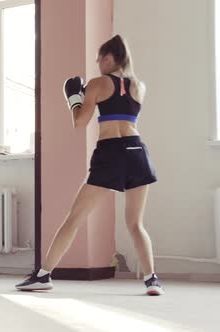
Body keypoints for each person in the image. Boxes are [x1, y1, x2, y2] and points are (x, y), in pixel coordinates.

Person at [15, 35, 164, 296]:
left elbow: (79, 122)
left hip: (111, 153)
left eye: (99, 58)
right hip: (136, 151)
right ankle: (152, 280)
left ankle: (43, 275)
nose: (96, 62)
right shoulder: (139, 86)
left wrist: (73, 99)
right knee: (135, 224)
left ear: (108, 58)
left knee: (73, 219)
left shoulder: (98, 84)